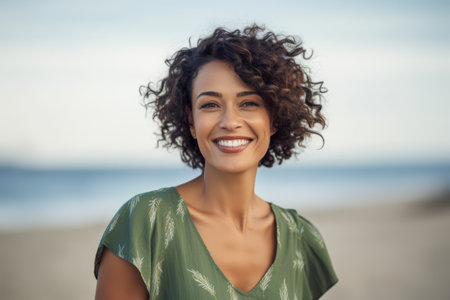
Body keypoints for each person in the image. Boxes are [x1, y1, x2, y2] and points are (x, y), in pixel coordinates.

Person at [94, 24, 338, 300]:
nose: (230, 122)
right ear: (191, 120)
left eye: (249, 103)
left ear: (275, 119)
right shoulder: (145, 221)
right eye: (210, 105)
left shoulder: (302, 238)